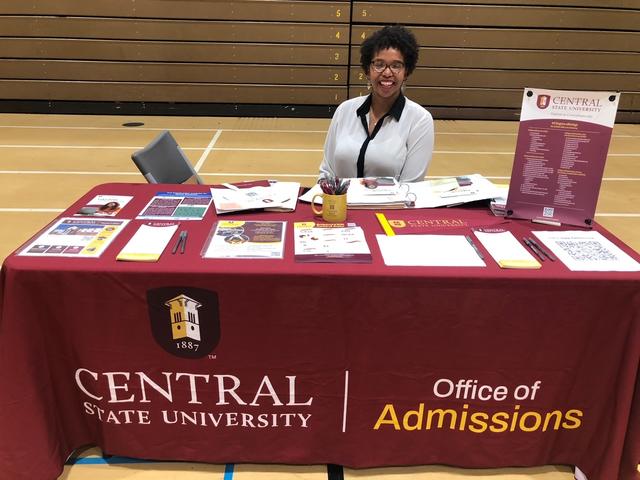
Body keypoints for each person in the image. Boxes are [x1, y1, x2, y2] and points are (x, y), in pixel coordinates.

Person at [318, 25, 434, 183]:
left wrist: (372, 191)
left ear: (406, 72)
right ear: (367, 70)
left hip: (388, 208)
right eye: (379, 64)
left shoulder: (420, 120)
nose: (387, 73)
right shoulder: (345, 110)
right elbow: (326, 173)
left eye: (396, 65)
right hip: (341, 206)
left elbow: (410, 187)